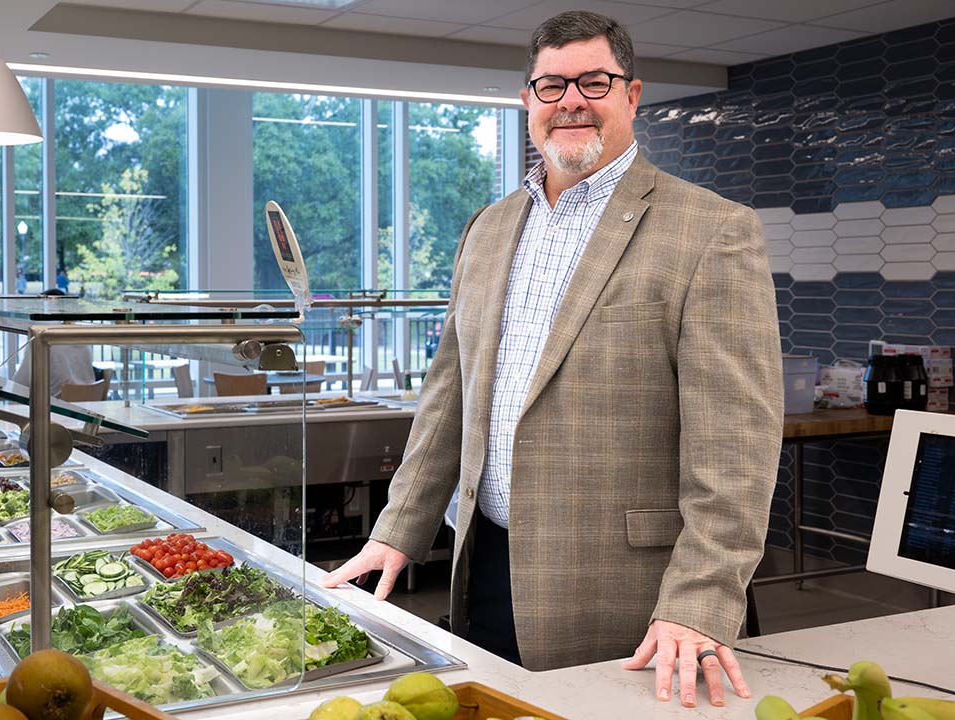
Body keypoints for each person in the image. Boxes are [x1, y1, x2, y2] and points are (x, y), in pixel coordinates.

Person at [321, 10, 783, 709]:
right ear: (527, 100)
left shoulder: (711, 229)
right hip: (485, 563)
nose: (570, 100)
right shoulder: (489, 225)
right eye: (550, 84)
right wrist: (398, 529)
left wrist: (699, 598)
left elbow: (736, 449)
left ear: (631, 96)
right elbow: (451, 395)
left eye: (594, 81)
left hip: (629, 593)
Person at [12, 289, 96, 399]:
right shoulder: (82, 339)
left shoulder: (42, 340)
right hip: (89, 405)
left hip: (55, 408)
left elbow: (19, 385)